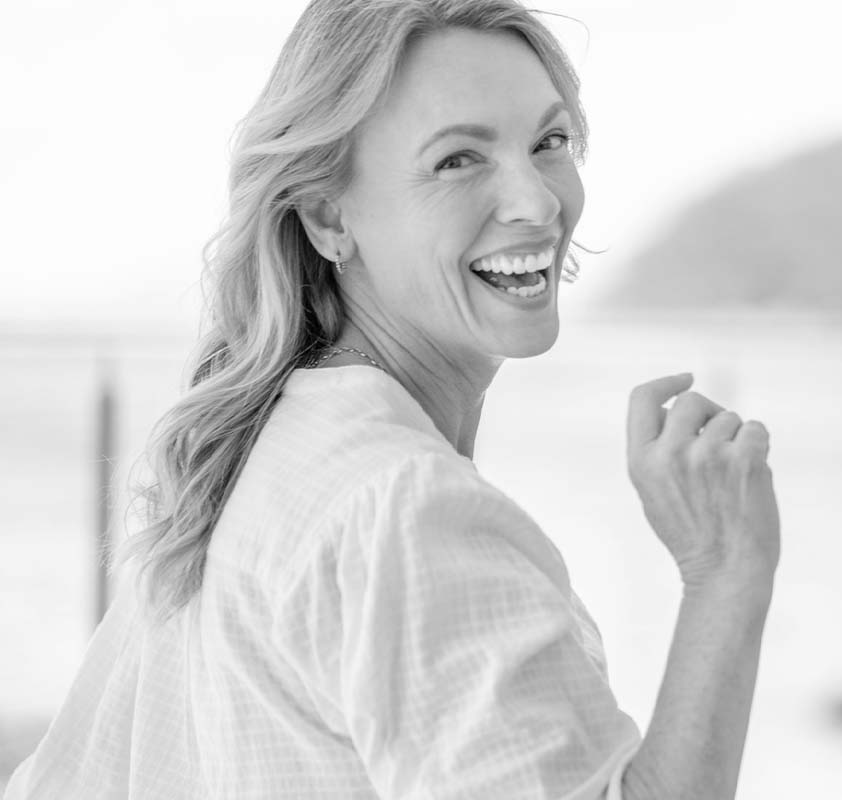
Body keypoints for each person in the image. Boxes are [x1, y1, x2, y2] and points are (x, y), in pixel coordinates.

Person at [4, 1, 780, 797]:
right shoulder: (404, 505)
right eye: (458, 160)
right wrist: (723, 570)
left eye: (549, 143)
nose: (539, 202)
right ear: (328, 217)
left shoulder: (265, 448)